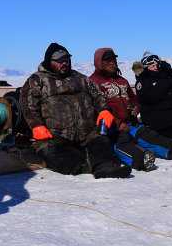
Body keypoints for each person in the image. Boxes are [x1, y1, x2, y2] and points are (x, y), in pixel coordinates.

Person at [20, 43, 131, 179]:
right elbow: (27, 103)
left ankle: (104, 167)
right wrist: (36, 125)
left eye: (66, 59)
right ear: (49, 61)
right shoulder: (37, 80)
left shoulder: (80, 78)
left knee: (102, 140)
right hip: (56, 135)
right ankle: (86, 166)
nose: (64, 63)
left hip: (87, 131)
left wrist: (103, 110)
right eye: (59, 60)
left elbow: (97, 95)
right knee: (46, 150)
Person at [89, 47, 172, 171]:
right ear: (99, 62)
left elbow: (132, 97)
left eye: (113, 59)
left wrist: (136, 107)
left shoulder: (121, 80)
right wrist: (117, 123)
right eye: (107, 60)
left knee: (150, 136)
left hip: (130, 123)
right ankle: (142, 160)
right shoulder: (93, 82)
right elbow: (94, 109)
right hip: (111, 127)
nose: (112, 62)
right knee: (120, 144)